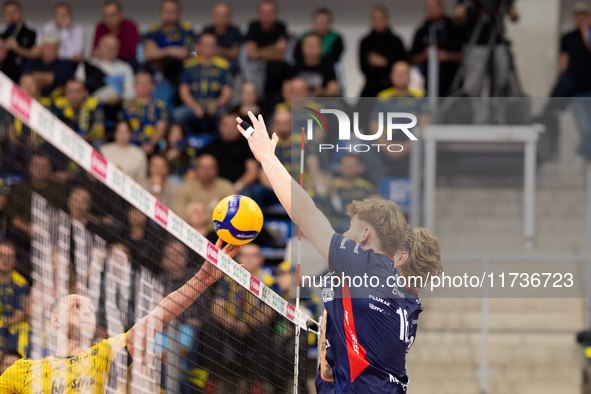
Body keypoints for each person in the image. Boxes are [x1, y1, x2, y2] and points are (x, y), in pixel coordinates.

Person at [236, 111, 442, 393]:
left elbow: (306, 214)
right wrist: (326, 356)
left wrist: (267, 158)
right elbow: (337, 357)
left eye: (351, 227)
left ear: (366, 234)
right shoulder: (396, 290)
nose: (343, 234)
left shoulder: (367, 267)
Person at [0, 239, 239, 392]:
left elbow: (159, 315)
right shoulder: (22, 371)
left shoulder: (103, 353)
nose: (86, 311)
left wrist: (202, 280)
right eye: (76, 306)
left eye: (89, 309)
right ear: (56, 321)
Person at [454, 0, 519, 97]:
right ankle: (476, 110)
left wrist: (508, 9)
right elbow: (458, 17)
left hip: (497, 41)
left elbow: (514, 16)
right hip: (476, 43)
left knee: (502, 79)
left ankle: (498, 107)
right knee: (473, 85)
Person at [174, 33, 232, 134]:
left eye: (211, 45)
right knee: (178, 114)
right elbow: (184, 91)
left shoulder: (223, 65)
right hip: (193, 106)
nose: (208, 48)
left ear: (216, 48)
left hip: (215, 106)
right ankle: (186, 143)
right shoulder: (189, 65)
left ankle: (219, 142)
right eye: (205, 45)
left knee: (226, 117)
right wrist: (195, 107)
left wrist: (216, 105)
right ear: (199, 46)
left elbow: (227, 92)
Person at [556, 2, 591, 161]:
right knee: (585, 129)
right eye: (578, 16)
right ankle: (581, 155)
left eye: (584, 15)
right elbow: (563, 62)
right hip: (577, 92)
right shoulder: (568, 37)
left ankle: (581, 155)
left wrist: (586, 33)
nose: (581, 19)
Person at [411, 0, 464, 97]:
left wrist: (447, 56)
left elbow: (466, 54)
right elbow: (412, 58)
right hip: (429, 84)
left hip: (454, 82)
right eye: (429, 8)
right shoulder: (422, 31)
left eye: (435, 8)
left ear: (442, 8)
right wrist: (425, 55)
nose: (432, 11)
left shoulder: (456, 28)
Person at [200, 113, 258, 193]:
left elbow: (252, 172)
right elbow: (201, 169)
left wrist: (237, 186)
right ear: (219, 127)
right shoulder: (211, 147)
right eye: (226, 125)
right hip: (215, 187)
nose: (230, 129)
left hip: (241, 187)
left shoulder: (248, 145)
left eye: (233, 125)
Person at [359, 5, 408, 97]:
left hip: (393, 87)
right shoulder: (365, 42)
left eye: (380, 18)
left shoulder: (396, 41)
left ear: (386, 20)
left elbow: (403, 64)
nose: (378, 22)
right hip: (372, 87)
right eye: (375, 19)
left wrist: (385, 62)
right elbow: (363, 67)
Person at [245, 0, 289, 101]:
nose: (267, 15)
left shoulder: (280, 27)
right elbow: (251, 54)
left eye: (270, 12)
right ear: (259, 14)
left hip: (276, 77)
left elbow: (281, 55)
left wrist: (258, 52)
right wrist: (274, 48)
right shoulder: (254, 27)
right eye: (264, 12)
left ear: (275, 14)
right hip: (256, 72)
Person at [144, 0, 195, 87]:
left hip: (180, 73)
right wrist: (170, 51)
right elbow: (148, 54)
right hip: (159, 72)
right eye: (166, 11)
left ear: (179, 13)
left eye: (172, 11)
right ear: (160, 12)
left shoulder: (187, 30)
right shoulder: (154, 31)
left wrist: (160, 51)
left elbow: (186, 53)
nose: (169, 14)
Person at [75, 34, 135, 105]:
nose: (110, 49)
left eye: (114, 47)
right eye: (107, 46)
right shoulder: (86, 65)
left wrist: (120, 98)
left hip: (118, 107)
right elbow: (77, 89)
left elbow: (131, 92)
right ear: (99, 47)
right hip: (91, 107)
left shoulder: (125, 67)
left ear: (118, 50)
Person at [120, 70, 169, 154]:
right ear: (134, 85)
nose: (142, 86)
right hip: (128, 147)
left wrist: (151, 144)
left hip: (152, 148)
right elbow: (121, 126)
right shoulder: (125, 105)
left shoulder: (160, 106)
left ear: (153, 86)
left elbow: (161, 127)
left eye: (146, 83)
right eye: (140, 83)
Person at [174, 154, 234, 220]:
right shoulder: (187, 187)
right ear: (196, 170)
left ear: (217, 170)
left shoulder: (226, 187)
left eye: (210, 167)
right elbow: (179, 210)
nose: (206, 171)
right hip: (191, 227)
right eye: (203, 167)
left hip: (219, 227)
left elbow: (232, 211)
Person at [52, 79, 105, 147]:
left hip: (88, 142)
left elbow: (99, 130)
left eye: (78, 92)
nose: (74, 95)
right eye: (70, 92)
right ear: (65, 92)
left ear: (85, 92)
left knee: (98, 142)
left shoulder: (94, 103)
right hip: (64, 140)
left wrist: (83, 137)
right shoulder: (58, 104)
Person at [0, 241, 29, 359]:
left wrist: (3, 324)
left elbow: (20, 314)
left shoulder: (21, 284)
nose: (5, 261)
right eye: (1, 256)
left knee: (22, 329)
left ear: (15, 261)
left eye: (9, 257)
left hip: (9, 326)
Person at [22, 34, 74, 98]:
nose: (50, 51)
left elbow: (62, 80)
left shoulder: (65, 64)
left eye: (53, 48)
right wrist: (50, 79)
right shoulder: (32, 63)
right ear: (41, 49)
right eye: (47, 48)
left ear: (58, 50)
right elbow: (25, 79)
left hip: (58, 102)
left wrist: (37, 78)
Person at [289, 33, 339, 97]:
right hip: (298, 103)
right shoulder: (294, 66)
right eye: (309, 45)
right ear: (303, 47)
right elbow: (286, 88)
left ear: (321, 47)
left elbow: (333, 88)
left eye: (315, 45)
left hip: (321, 103)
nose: (312, 49)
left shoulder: (328, 66)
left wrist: (323, 92)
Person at [0, 0, 38, 82]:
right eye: (8, 13)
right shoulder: (2, 35)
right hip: (6, 79)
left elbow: (36, 54)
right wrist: (4, 49)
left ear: (20, 12)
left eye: (14, 12)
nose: (11, 16)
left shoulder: (31, 33)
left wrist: (17, 48)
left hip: (25, 77)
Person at [201, 3, 243, 75]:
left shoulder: (235, 31)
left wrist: (220, 51)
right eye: (219, 16)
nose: (221, 19)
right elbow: (197, 51)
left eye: (224, 16)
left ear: (230, 17)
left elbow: (237, 53)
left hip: (230, 67)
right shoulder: (207, 31)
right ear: (213, 17)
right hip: (208, 66)